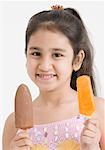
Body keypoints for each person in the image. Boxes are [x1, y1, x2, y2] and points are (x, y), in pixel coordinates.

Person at [3, 5, 105, 150]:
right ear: (26, 55)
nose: (44, 65)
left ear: (77, 60)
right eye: (36, 53)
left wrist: (92, 147)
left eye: (57, 55)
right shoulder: (12, 124)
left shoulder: (99, 111)